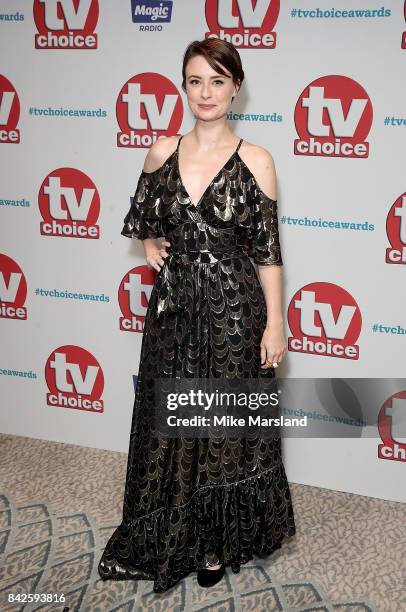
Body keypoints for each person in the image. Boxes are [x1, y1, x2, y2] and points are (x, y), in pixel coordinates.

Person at [98, 38, 296, 593]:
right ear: (184, 87)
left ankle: (213, 542)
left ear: (235, 86)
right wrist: (150, 246)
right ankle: (174, 531)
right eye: (194, 81)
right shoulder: (161, 151)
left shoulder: (257, 160)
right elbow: (142, 216)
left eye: (216, 80)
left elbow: (268, 250)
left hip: (234, 310)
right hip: (176, 313)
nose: (205, 93)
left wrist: (274, 322)